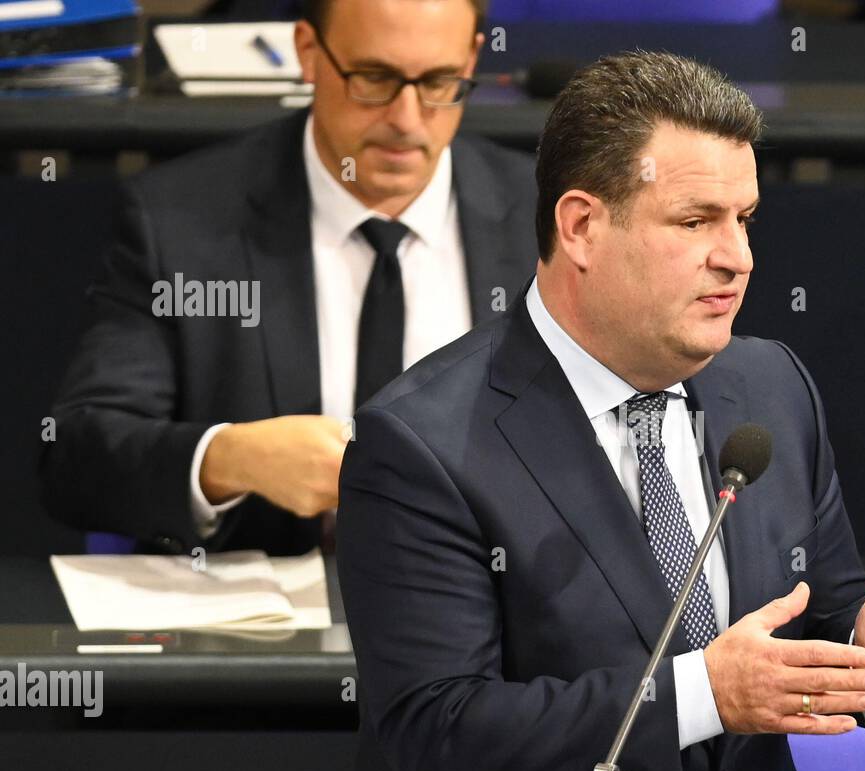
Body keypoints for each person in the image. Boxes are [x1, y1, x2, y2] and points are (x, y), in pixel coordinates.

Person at [338, 50, 865, 771]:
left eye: (744, 219)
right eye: (694, 221)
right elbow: (440, 732)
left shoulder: (771, 387)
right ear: (581, 227)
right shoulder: (423, 443)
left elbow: (815, 610)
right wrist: (700, 695)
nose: (737, 257)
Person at [41, 0, 536, 556]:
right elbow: (77, 458)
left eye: (440, 82)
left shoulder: (550, 223)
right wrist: (229, 459)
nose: (406, 117)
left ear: (472, 56)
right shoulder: (180, 220)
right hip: (260, 624)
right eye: (373, 78)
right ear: (308, 53)